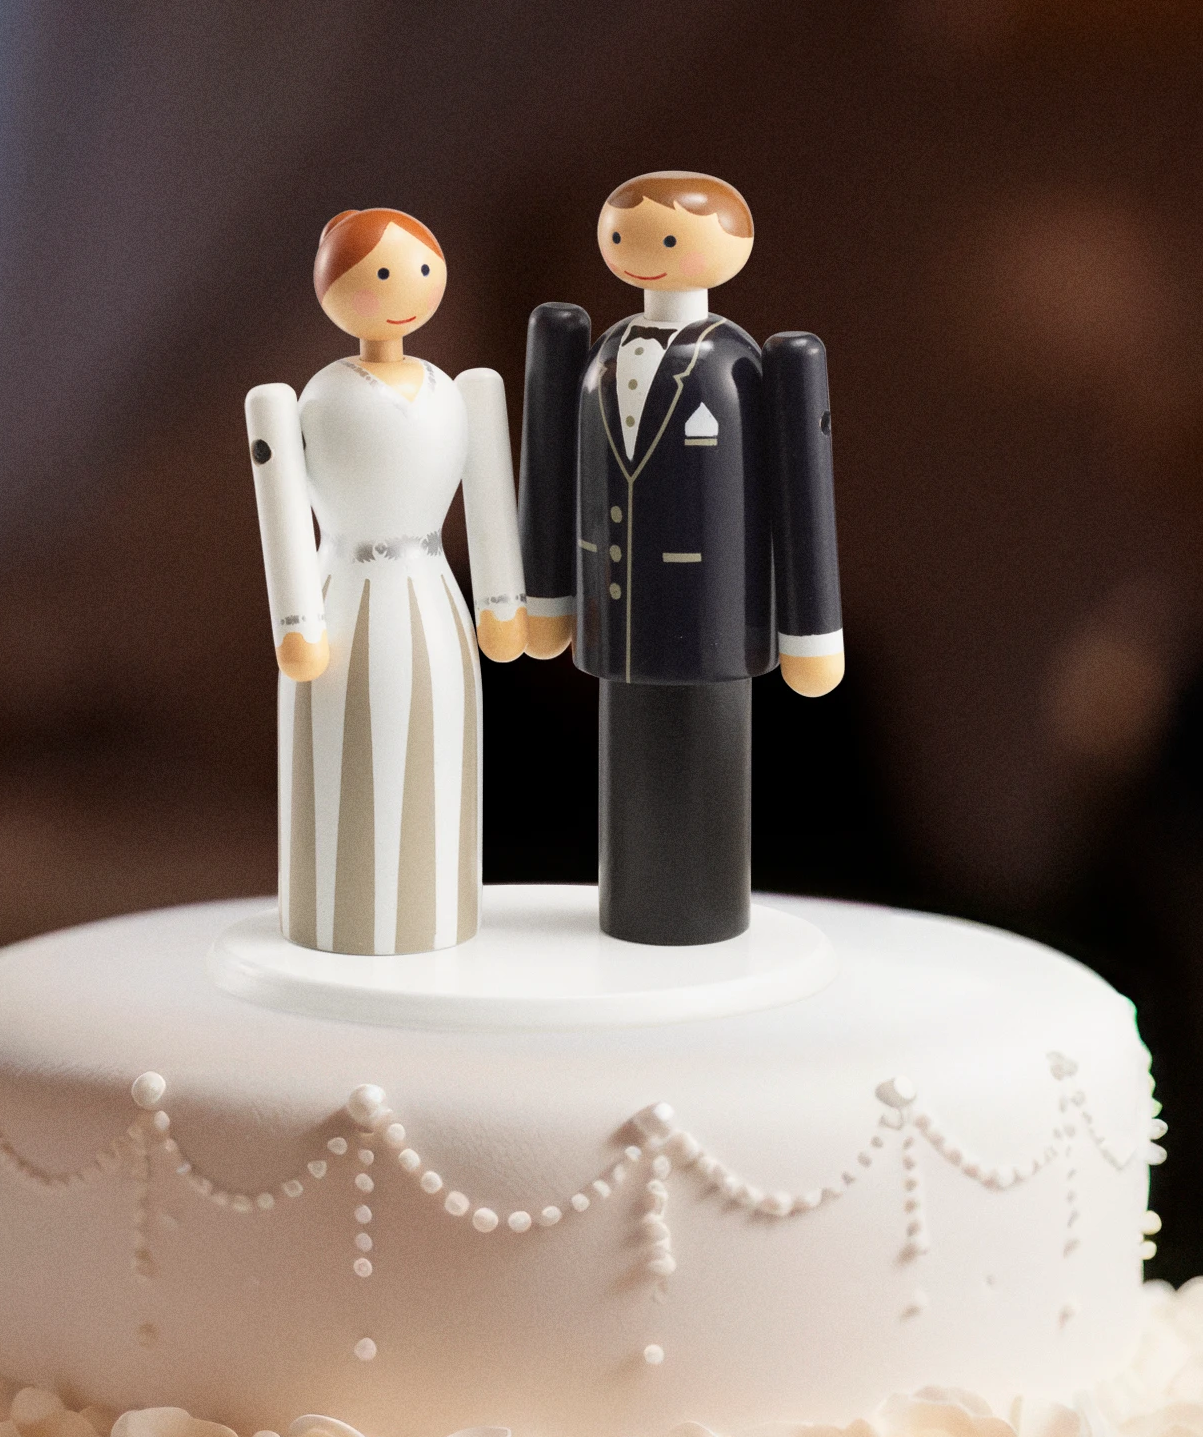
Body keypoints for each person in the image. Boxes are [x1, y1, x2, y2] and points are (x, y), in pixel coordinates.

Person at [518, 172, 843, 945]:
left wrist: (811, 630)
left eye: (670, 239)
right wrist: (548, 599)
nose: (652, 256)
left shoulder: (738, 366)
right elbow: (554, 475)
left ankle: (701, 915)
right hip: (618, 619)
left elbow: (800, 491)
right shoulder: (595, 358)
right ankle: (635, 905)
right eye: (634, 238)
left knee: (704, 779)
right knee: (632, 786)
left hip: (713, 618)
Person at [245, 208, 523, 956]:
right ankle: (330, 920)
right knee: (336, 780)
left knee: (437, 776)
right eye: (379, 274)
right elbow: (281, 513)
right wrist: (295, 619)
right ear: (333, 288)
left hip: (434, 605)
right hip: (342, 605)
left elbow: (490, 491)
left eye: (420, 271)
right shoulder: (313, 400)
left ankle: (435, 917)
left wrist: (503, 601)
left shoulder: (458, 393)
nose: (403, 289)